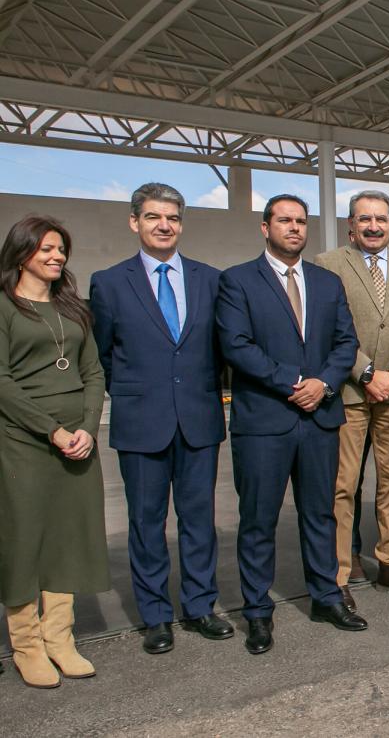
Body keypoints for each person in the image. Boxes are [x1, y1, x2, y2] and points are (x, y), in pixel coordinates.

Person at [216, 194, 365, 654]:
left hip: (319, 418)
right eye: (285, 221)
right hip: (264, 420)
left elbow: (346, 342)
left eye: (301, 221)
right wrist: (295, 382)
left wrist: (322, 383)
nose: (295, 228)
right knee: (258, 520)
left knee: (320, 514)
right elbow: (236, 345)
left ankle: (326, 596)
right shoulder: (238, 281)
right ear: (266, 227)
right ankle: (258, 612)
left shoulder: (327, 281)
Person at [89, 183, 232, 656]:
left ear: (181, 224)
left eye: (171, 217)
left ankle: (199, 606)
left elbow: (218, 351)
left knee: (198, 521)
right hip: (140, 422)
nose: (163, 225)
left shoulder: (210, 279)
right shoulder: (109, 283)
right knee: (146, 524)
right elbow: (105, 355)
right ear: (135, 222)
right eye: (153, 217)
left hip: (198, 419)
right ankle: (155, 616)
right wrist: (136, 393)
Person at [0, 216, 107, 688]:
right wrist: (53, 431)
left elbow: (94, 373)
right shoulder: (4, 307)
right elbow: (0, 381)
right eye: (45, 248)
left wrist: (85, 428)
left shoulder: (74, 309)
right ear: (21, 252)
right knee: (25, 537)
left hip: (77, 442)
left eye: (61, 249)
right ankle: (26, 645)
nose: (56, 256)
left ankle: (59, 637)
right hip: (22, 440)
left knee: (68, 535)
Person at [316, 191, 389, 612]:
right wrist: (366, 372)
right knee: (342, 485)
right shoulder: (328, 265)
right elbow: (326, 327)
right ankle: (338, 573)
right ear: (350, 224)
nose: (373, 226)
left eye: (381, 218)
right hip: (349, 390)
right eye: (364, 219)